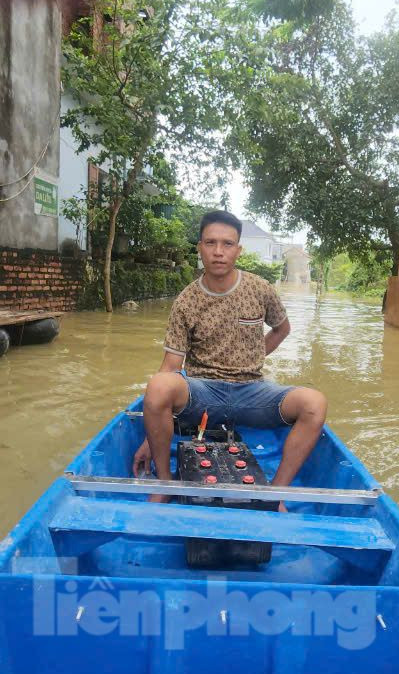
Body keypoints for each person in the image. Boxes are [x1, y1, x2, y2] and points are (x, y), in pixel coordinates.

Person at [131, 210, 328, 507]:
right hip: (202, 394)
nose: (219, 252)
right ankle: (164, 481)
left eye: (227, 244)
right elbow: (171, 367)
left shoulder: (259, 289)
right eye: (211, 243)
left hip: (252, 392)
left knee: (315, 404)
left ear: (238, 249)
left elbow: (282, 329)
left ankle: (275, 494)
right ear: (200, 248)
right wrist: (151, 433)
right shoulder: (186, 300)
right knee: (158, 386)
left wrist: (254, 356)